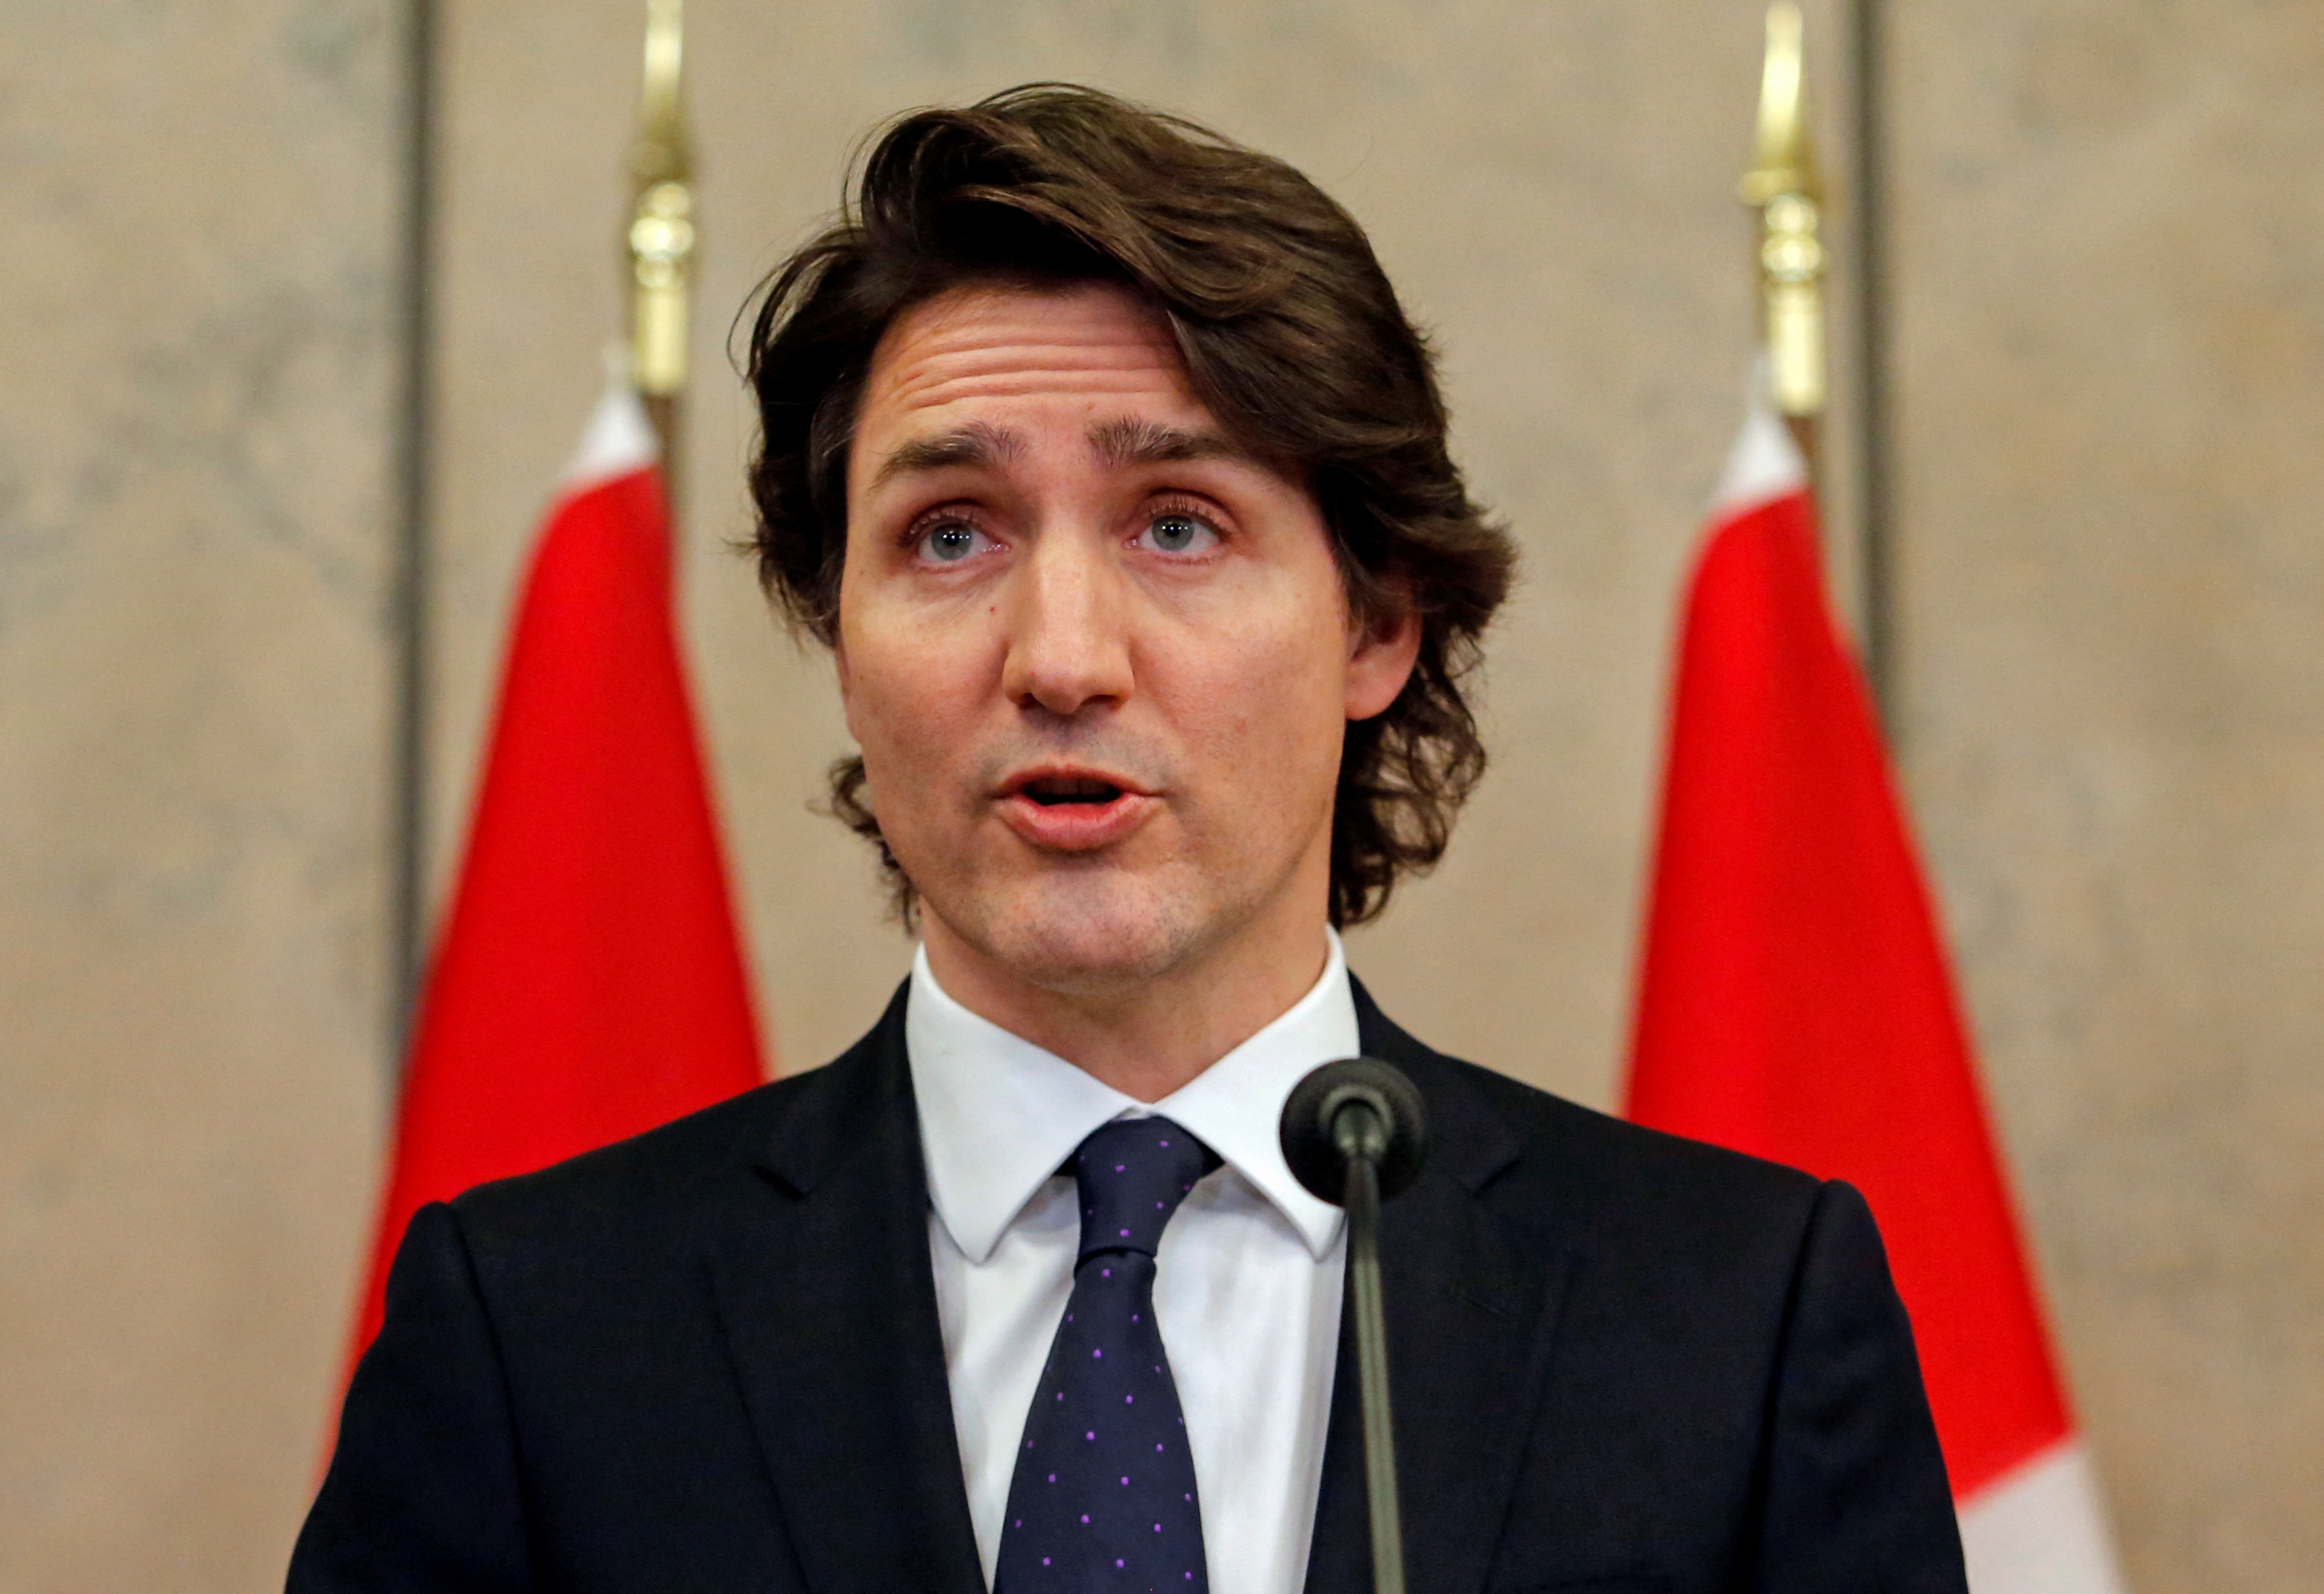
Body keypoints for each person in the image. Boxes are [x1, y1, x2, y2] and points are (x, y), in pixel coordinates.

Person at [291, 85, 1966, 1594]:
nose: (1062, 656)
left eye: (1180, 524)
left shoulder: (1732, 1318)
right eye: (950, 534)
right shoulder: (537, 1330)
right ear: (839, 632)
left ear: (1379, 621)